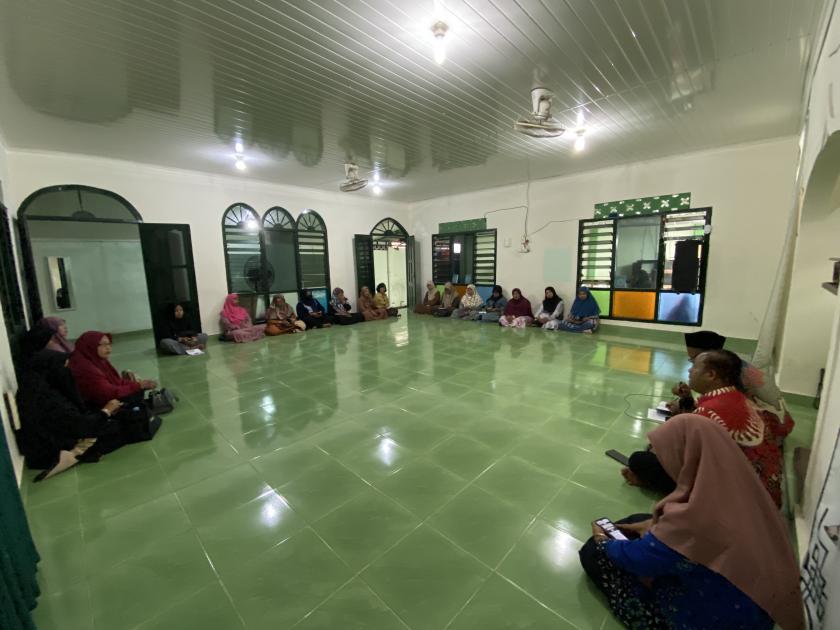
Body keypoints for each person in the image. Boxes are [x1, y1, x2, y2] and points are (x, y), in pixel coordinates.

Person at [580, 416, 804, 630]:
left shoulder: (692, 521)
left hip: (705, 618)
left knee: (595, 554)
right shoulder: (739, 487)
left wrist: (603, 542)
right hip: (754, 606)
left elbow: (639, 560)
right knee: (640, 521)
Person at [625, 349, 786, 508]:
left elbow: (687, 456)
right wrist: (687, 399)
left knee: (641, 459)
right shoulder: (736, 397)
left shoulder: (709, 411)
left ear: (711, 375)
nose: (689, 370)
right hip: (764, 491)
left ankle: (649, 482)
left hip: (739, 500)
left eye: (694, 367)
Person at [17, 350, 161, 481]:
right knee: (118, 427)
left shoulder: (37, 388)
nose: (108, 348)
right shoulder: (46, 398)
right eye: (64, 366)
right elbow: (80, 426)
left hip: (61, 433)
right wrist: (106, 411)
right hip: (53, 448)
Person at [671, 331, 796, 441]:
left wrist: (684, 411)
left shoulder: (737, 377)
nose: (690, 369)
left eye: (694, 361)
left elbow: (721, 417)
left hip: (771, 430)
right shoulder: (730, 366)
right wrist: (687, 398)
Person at [69, 331, 158, 407]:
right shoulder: (85, 368)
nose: (108, 348)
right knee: (134, 393)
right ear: (90, 346)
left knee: (136, 388)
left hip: (105, 395)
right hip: (94, 405)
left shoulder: (97, 360)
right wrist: (138, 386)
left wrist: (139, 384)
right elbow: (107, 393)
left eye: (109, 344)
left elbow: (117, 381)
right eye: (103, 345)